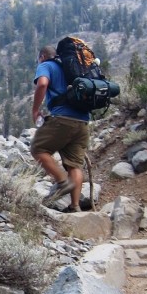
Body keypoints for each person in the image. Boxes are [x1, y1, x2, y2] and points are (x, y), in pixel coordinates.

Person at [31, 44, 90, 212]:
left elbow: (42, 84)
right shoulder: (72, 68)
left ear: (42, 56)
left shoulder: (46, 65)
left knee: (38, 148)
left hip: (62, 119)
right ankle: (75, 206)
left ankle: (62, 181)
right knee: (74, 165)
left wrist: (35, 110)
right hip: (83, 121)